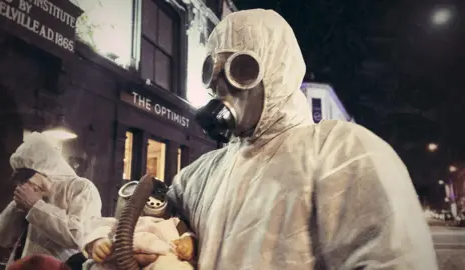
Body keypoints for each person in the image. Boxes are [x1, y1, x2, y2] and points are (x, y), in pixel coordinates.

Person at [164, 9, 437, 270]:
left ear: (276, 74)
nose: (221, 84)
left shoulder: (343, 154)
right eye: (213, 69)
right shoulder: (200, 176)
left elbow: (396, 259)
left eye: (242, 69)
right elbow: (158, 228)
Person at [0, 132, 102, 268]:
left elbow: (79, 235)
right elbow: (0, 237)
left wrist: (36, 206)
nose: (24, 182)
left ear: (44, 169)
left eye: (27, 175)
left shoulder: (81, 187)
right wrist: (17, 207)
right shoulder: (29, 192)